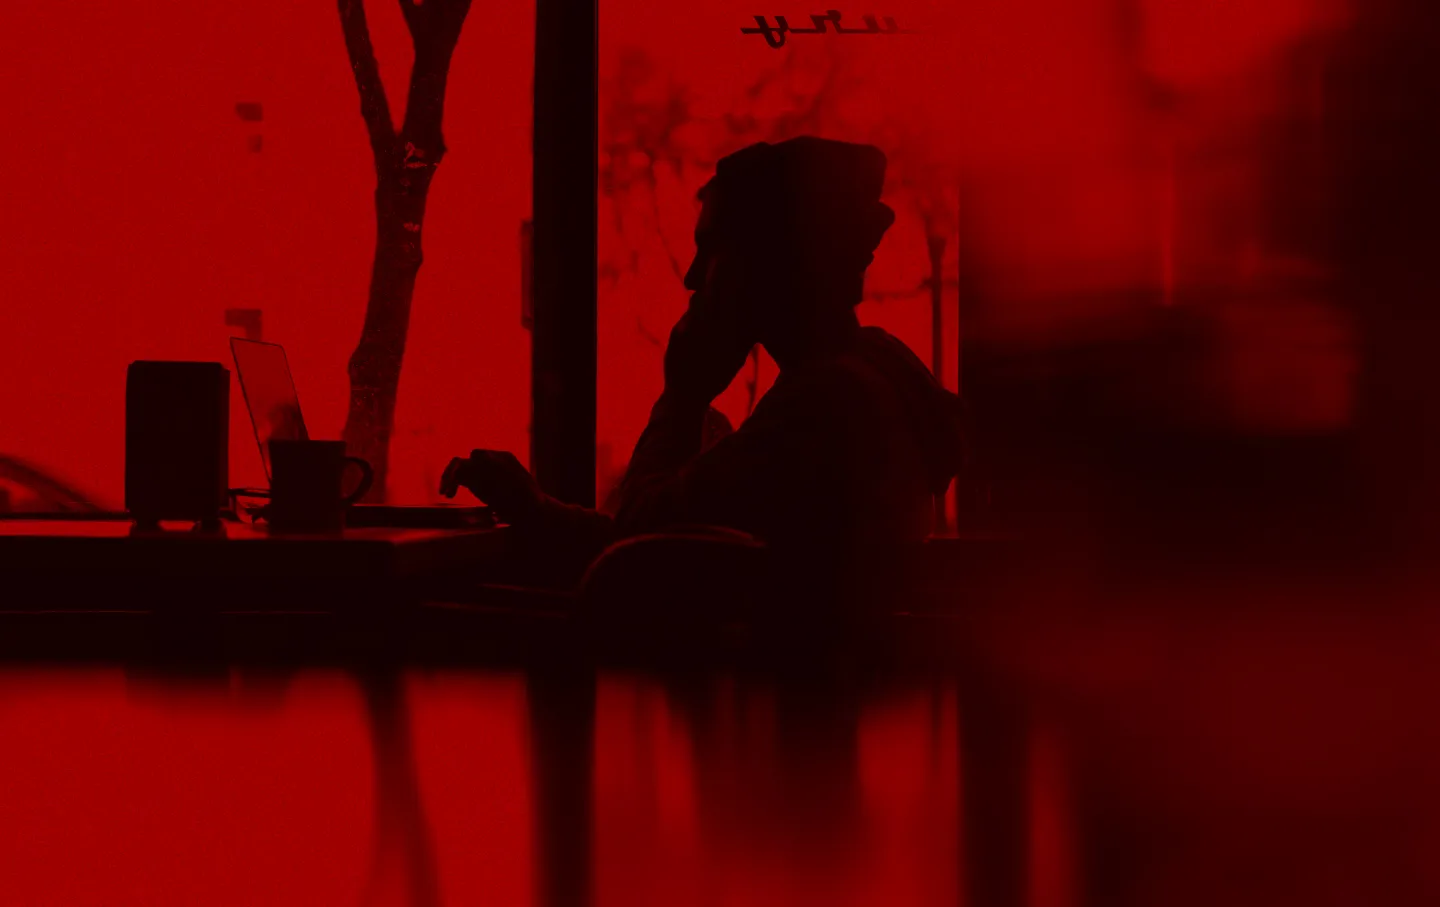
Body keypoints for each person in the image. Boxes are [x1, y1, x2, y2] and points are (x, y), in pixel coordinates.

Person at [440, 136, 967, 561]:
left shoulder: (819, 407)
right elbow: (667, 536)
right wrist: (536, 509)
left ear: (774, 258)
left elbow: (639, 550)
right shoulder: (870, 374)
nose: (693, 277)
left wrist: (684, 395)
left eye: (711, 249)